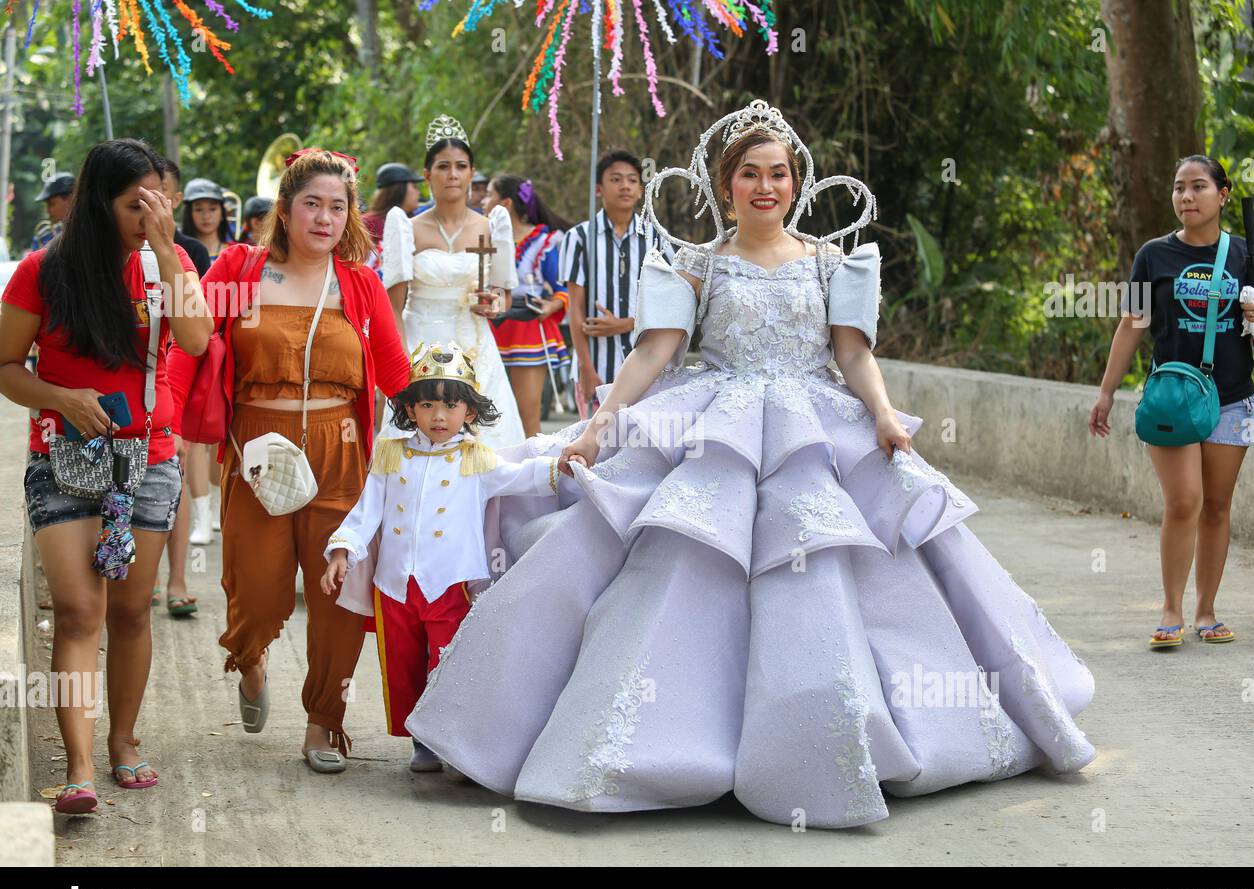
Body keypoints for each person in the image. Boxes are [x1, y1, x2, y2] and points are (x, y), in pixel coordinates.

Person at [405, 100, 1095, 828]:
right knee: (665, 565)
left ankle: (840, 738)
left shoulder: (836, 261)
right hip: (717, 423)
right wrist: (597, 428)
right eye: (748, 175)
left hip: (814, 425)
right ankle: (665, 743)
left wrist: (886, 416)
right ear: (724, 184)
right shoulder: (694, 263)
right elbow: (652, 352)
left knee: (846, 567)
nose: (765, 187)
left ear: (797, 183)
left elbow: (853, 352)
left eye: (779, 174)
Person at [169, 147, 410, 773]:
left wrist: (442, 431)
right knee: (255, 590)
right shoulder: (240, 267)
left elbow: (395, 373)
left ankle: (323, 721)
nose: (325, 218)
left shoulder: (359, 283)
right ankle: (250, 662)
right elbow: (188, 348)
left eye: (338, 206)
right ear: (285, 209)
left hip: (340, 452)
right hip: (258, 452)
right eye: (312, 204)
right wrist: (160, 422)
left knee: (337, 593)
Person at [0, 138, 212, 812]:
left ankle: (123, 740)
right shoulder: (41, 271)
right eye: (133, 204)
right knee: (78, 609)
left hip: (147, 458)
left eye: (158, 199)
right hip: (64, 457)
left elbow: (201, 339)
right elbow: (6, 366)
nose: (149, 212)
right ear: (98, 203)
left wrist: (168, 248)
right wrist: (62, 399)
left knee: (127, 610)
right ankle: (81, 766)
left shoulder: (166, 265)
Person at [321, 343, 560, 772]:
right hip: (394, 584)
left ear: (469, 412)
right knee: (404, 667)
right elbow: (366, 513)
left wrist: (561, 467)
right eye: (426, 404)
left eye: (450, 405)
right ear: (410, 409)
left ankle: (449, 738)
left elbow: (523, 477)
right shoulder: (391, 454)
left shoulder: (477, 459)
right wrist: (343, 549)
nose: (438, 415)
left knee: (446, 662)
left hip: (450, 584)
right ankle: (421, 740)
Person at [1091, 155, 1254, 648]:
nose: (1186, 196)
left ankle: (1206, 611)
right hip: (1173, 397)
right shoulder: (1154, 255)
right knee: (1184, 501)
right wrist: (1106, 391)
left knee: (1217, 507)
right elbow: (1132, 323)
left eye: (1198, 187)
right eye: (1179, 188)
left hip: (1233, 399)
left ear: (1222, 195)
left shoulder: (1249, 255)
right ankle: (1170, 609)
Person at [380, 114, 525, 450]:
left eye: (461, 166)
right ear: (428, 174)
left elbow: (503, 295)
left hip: (476, 344)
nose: (453, 174)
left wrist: (494, 305)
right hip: (421, 343)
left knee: (485, 445)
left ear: (472, 174)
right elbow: (393, 308)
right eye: (443, 166)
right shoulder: (408, 228)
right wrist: (402, 368)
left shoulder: (491, 226)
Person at [561, 149, 672, 416]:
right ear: (599, 189)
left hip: (648, 368)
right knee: (595, 447)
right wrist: (586, 369)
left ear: (641, 190)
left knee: (642, 448)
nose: (625, 186)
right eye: (616, 179)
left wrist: (626, 324)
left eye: (632, 180)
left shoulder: (657, 238)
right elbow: (575, 308)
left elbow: (672, 303)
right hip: (596, 367)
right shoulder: (578, 238)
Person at [154, 157, 211, 618]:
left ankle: (176, 580)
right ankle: (141, 578)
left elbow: (198, 334)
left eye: (161, 194)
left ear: (174, 199)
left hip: (178, 373)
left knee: (171, 480)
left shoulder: (187, 251)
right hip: (130, 388)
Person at [483, 175, 571, 437]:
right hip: (486, 326)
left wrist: (549, 307)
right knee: (485, 412)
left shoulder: (543, 241)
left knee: (527, 416)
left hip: (526, 329)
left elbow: (562, 289)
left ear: (505, 203)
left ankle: (531, 473)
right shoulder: (480, 234)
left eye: (489, 194)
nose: (483, 200)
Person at [180, 176, 236, 544]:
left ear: (222, 211)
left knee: (222, 431)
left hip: (228, 347)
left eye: (211, 207)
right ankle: (200, 515)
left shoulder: (238, 251)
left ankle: (216, 507)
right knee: (193, 435)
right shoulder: (178, 251)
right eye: (198, 208)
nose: (205, 215)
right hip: (193, 346)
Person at [31, 172, 76, 251]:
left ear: (71, 198)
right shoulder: (43, 237)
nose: (47, 210)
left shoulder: (91, 230)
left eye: (51, 204)